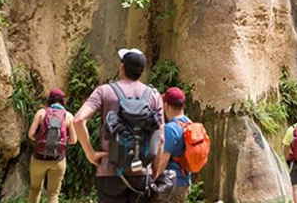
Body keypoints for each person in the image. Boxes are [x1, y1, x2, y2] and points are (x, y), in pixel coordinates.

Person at [74, 48, 165, 203]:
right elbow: (160, 138)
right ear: (141, 71)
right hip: (142, 172)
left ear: (122, 67)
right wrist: (154, 171)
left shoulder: (104, 91)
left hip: (109, 171)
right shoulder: (154, 96)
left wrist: (90, 153)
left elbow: (78, 120)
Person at [27, 88, 77, 203]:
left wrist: (40, 141)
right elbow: (74, 140)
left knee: (35, 189)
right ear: (63, 101)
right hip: (58, 160)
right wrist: (61, 141)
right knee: (53, 194)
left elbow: (30, 134)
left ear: (49, 99)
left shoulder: (41, 113)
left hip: (39, 159)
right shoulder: (68, 116)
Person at [152, 87, 201, 203]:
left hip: (171, 185)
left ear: (166, 106)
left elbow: (163, 160)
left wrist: (153, 180)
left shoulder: (170, 129)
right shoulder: (189, 124)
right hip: (185, 182)